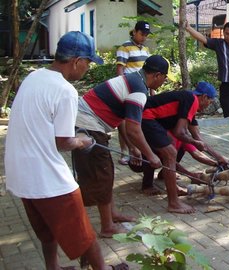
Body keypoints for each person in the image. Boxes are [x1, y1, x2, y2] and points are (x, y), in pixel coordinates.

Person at [4, 31, 127, 270]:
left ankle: (54, 267)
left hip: (20, 173)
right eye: (88, 63)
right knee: (84, 232)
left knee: (46, 230)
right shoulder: (66, 91)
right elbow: (64, 142)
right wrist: (84, 140)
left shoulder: (34, 77)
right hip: (45, 176)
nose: (87, 68)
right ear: (76, 61)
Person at [72, 55, 168, 237]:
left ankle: (112, 214)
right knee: (102, 173)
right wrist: (151, 155)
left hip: (89, 122)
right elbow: (134, 129)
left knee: (106, 171)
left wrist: (133, 148)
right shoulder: (139, 90)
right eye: (164, 78)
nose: (163, 82)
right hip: (87, 124)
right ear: (156, 75)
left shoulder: (134, 80)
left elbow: (123, 120)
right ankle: (107, 226)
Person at [138, 82, 227, 213]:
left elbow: (198, 138)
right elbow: (180, 132)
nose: (209, 105)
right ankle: (173, 203)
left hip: (151, 120)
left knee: (170, 150)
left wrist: (219, 158)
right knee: (170, 153)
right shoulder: (191, 100)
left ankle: (173, 188)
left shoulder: (189, 105)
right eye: (210, 101)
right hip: (145, 117)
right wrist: (194, 143)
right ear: (203, 97)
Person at [184, 21, 229, 144]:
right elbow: (203, 38)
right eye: (227, 34)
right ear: (223, 33)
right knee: (227, 107)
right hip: (226, 83)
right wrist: (189, 29)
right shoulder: (218, 44)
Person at [116, 21, 152, 165]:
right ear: (135, 32)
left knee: (136, 121)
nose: (144, 37)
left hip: (142, 90)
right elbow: (120, 68)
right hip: (127, 88)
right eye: (142, 34)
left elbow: (149, 73)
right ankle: (124, 152)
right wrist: (121, 86)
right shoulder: (125, 47)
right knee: (123, 121)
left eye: (146, 35)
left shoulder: (146, 50)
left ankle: (136, 149)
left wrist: (151, 90)